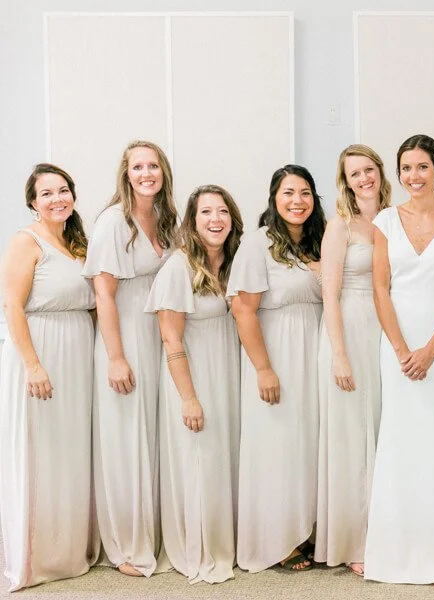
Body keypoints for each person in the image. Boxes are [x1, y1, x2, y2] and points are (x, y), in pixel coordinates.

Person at [364, 134, 434, 585]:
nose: (414, 176)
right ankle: (395, 554)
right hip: (397, 343)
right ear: (399, 174)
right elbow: (380, 288)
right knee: (399, 440)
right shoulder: (386, 221)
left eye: (422, 167)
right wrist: (400, 349)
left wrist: (431, 349)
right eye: (406, 168)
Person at [0, 164, 99, 590]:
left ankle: (68, 548)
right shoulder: (27, 241)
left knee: (69, 451)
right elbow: (11, 306)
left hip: (76, 355)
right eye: (47, 193)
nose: (57, 199)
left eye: (63, 190)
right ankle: (36, 557)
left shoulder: (78, 243)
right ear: (33, 202)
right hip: (40, 351)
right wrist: (33, 365)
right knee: (40, 450)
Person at [83, 140, 177, 577]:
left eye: (153, 166)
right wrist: (116, 357)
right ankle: (125, 545)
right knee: (125, 437)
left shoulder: (166, 218)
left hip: (158, 334)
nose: (146, 174)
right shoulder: (112, 222)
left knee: (152, 434)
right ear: (126, 173)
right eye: (138, 167)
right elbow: (103, 293)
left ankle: (155, 534)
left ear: (163, 172)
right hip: (124, 335)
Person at [228, 165, 325, 573]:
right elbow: (242, 310)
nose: (297, 201)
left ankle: (310, 529)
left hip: (316, 349)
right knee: (278, 443)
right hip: (278, 350)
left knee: (310, 442)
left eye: (305, 193)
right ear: (274, 198)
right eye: (288, 193)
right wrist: (264, 368)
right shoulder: (258, 244)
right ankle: (278, 538)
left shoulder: (321, 240)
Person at [145, 185, 243, 583]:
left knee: (223, 458)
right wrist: (188, 398)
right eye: (206, 212)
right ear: (192, 220)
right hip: (193, 377)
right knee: (200, 459)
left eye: (223, 212)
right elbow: (171, 339)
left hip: (227, 373)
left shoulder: (235, 262)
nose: (215, 219)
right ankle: (200, 546)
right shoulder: (178, 267)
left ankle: (228, 539)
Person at [316, 145, 391, 577]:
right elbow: (329, 293)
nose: (364, 178)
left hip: (388, 331)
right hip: (350, 329)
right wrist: (339, 355)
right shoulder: (339, 226)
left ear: (380, 172)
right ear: (345, 182)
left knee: (384, 431)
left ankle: (386, 532)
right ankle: (354, 542)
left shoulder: (397, 219)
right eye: (354, 174)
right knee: (352, 437)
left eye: (368, 170)